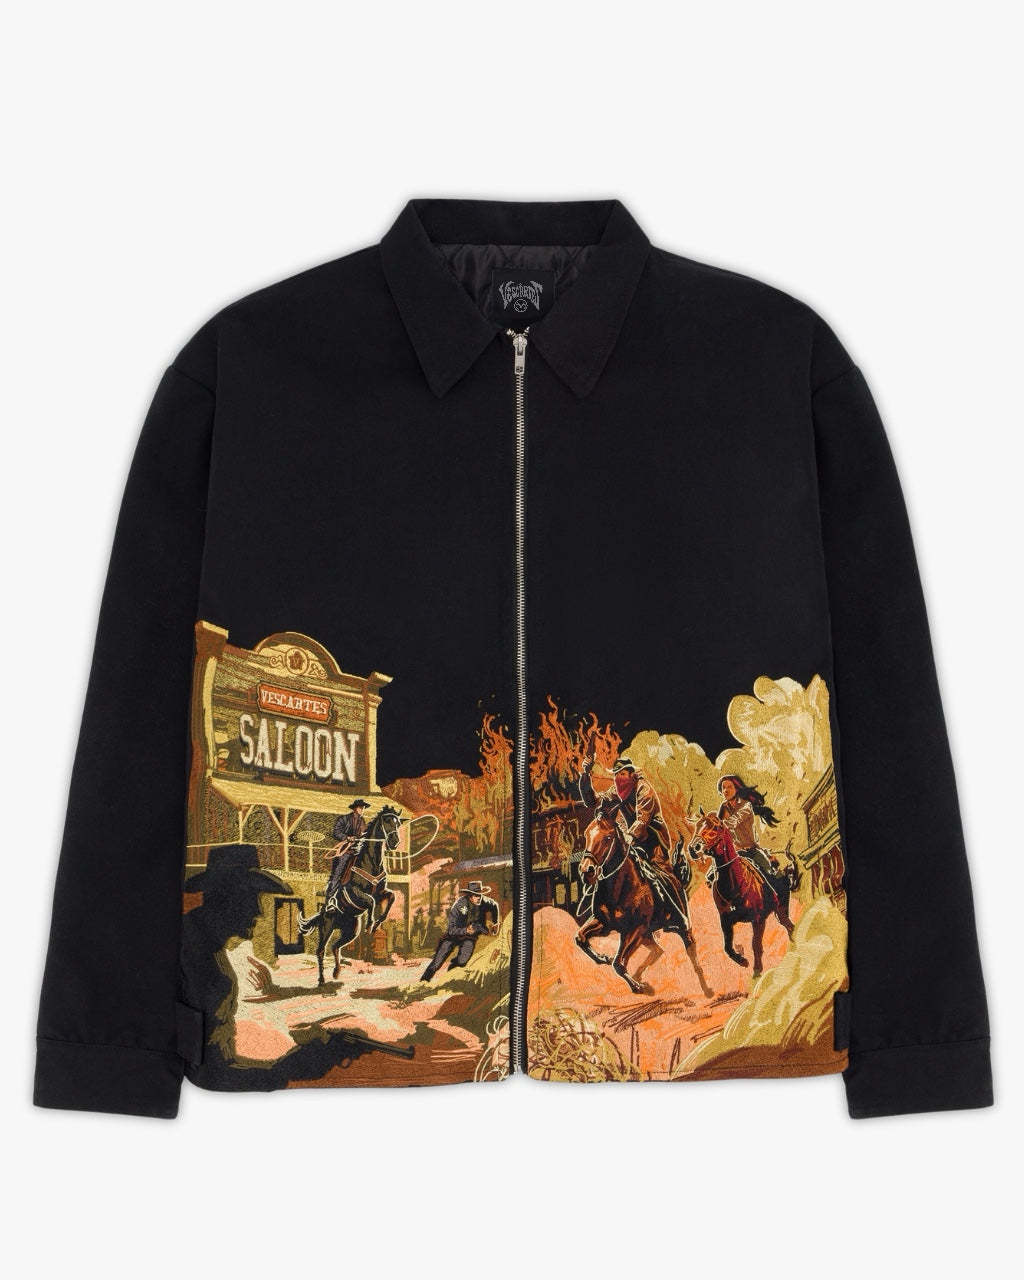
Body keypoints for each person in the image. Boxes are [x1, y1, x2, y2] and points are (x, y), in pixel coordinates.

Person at [579, 754, 692, 938]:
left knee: (662, 875)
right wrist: (585, 774)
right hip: (632, 839)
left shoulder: (644, 789)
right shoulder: (617, 791)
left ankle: (679, 916)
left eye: (622, 774)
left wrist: (630, 836)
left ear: (632, 774)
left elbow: (643, 819)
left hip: (653, 840)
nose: (619, 778)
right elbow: (593, 801)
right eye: (616, 775)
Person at [421, 881, 493, 981]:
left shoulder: (480, 906)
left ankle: (450, 976)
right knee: (437, 961)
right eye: (476, 895)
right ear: (470, 896)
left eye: (479, 895)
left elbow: (481, 923)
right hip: (452, 936)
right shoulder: (459, 906)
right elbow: (451, 930)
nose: (479, 897)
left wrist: (484, 930)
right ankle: (424, 980)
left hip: (468, 937)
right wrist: (465, 930)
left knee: (462, 960)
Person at [717, 774, 781, 882]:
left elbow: (735, 820)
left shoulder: (746, 805)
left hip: (751, 850)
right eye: (723, 788)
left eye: (729, 787)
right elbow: (718, 828)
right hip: (735, 853)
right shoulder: (724, 808)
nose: (726, 790)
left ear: (737, 789)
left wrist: (720, 825)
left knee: (769, 875)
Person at [323, 799, 375, 916]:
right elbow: (336, 832)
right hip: (345, 851)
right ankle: (330, 900)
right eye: (361, 807)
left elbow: (364, 834)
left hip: (357, 852)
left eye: (363, 808)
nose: (362, 810)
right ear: (355, 808)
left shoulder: (362, 821)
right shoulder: (344, 819)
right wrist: (347, 838)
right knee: (338, 874)